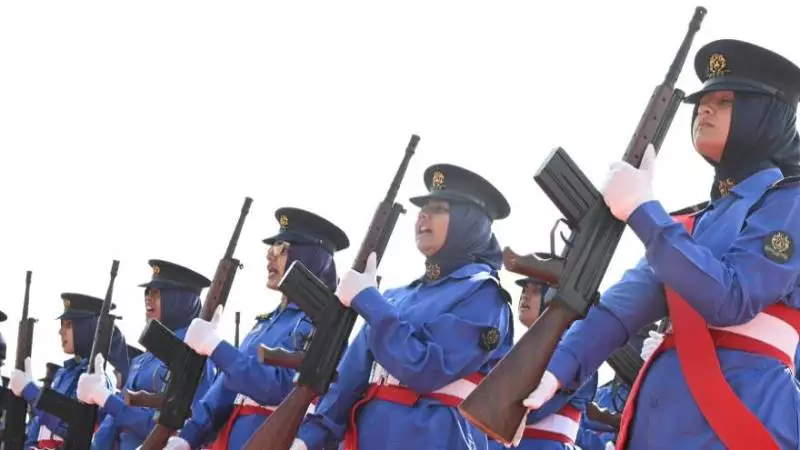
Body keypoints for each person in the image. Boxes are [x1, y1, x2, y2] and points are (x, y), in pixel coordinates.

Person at [517, 39, 800, 449]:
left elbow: (732, 296)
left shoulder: (789, 202)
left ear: (766, 116)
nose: (704, 109)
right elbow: (621, 308)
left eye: (725, 101)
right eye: (703, 100)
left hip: (737, 425)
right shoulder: (692, 223)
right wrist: (556, 369)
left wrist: (643, 210)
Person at [291, 164, 515, 450]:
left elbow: (427, 368)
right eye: (423, 207)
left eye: (439, 208)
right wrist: (308, 438)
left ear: (468, 221)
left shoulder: (483, 295)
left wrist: (369, 300)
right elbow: (351, 377)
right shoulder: (397, 296)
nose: (423, 215)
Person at [163, 207, 350, 449]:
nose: (270, 257)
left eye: (281, 249)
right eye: (271, 249)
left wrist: (216, 346)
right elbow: (226, 388)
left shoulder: (318, 324)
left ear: (308, 257)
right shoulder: (265, 322)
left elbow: (276, 388)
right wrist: (188, 436)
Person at [79, 260, 215, 450]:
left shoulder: (195, 351)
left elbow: (182, 422)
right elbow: (113, 422)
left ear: (179, 299)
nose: (148, 298)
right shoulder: (143, 360)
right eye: (147, 292)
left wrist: (109, 401)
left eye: (157, 293)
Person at [9, 293, 128, 448]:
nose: (61, 332)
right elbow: (39, 427)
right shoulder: (64, 374)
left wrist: (30, 391)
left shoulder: (100, 378)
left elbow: (72, 426)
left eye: (69, 325)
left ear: (89, 328)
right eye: (62, 324)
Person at [491, 277, 597, 450]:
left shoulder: (573, 353)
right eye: (525, 290)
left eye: (536, 291)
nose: (525, 296)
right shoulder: (521, 349)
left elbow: (531, 411)